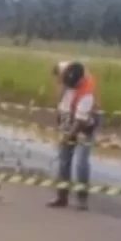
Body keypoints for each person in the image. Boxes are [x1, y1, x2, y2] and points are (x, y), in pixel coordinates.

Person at [48, 61, 98, 210]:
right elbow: (55, 68)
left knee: (81, 163)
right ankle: (61, 197)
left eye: (71, 85)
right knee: (64, 160)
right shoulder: (66, 69)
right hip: (68, 116)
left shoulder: (87, 94)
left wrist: (67, 137)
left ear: (79, 81)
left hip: (84, 124)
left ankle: (82, 200)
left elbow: (79, 122)